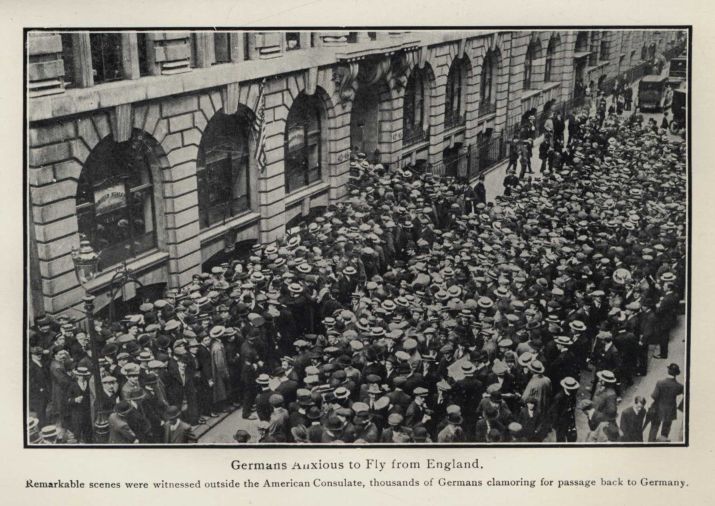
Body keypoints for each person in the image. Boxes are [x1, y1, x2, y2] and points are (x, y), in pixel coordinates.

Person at [647, 363, 684, 442]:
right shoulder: (679, 386)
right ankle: (663, 441)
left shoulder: (660, 383)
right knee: (666, 428)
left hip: (658, 409)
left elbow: (654, 396)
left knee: (654, 426)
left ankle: (651, 442)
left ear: (668, 371)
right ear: (676, 374)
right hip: (670, 410)